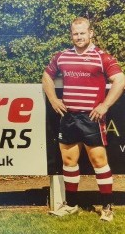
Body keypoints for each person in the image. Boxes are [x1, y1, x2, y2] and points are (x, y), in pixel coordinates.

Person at [43, 17, 125, 221]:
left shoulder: (102, 57)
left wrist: (105, 105)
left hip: (91, 118)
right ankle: (71, 204)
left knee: (99, 161)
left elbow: (120, 80)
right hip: (69, 117)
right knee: (69, 161)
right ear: (71, 35)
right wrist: (53, 99)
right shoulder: (62, 56)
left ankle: (107, 208)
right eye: (75, 33)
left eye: (82, 33)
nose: (78, 37)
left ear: (91, 33)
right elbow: (46, 76)